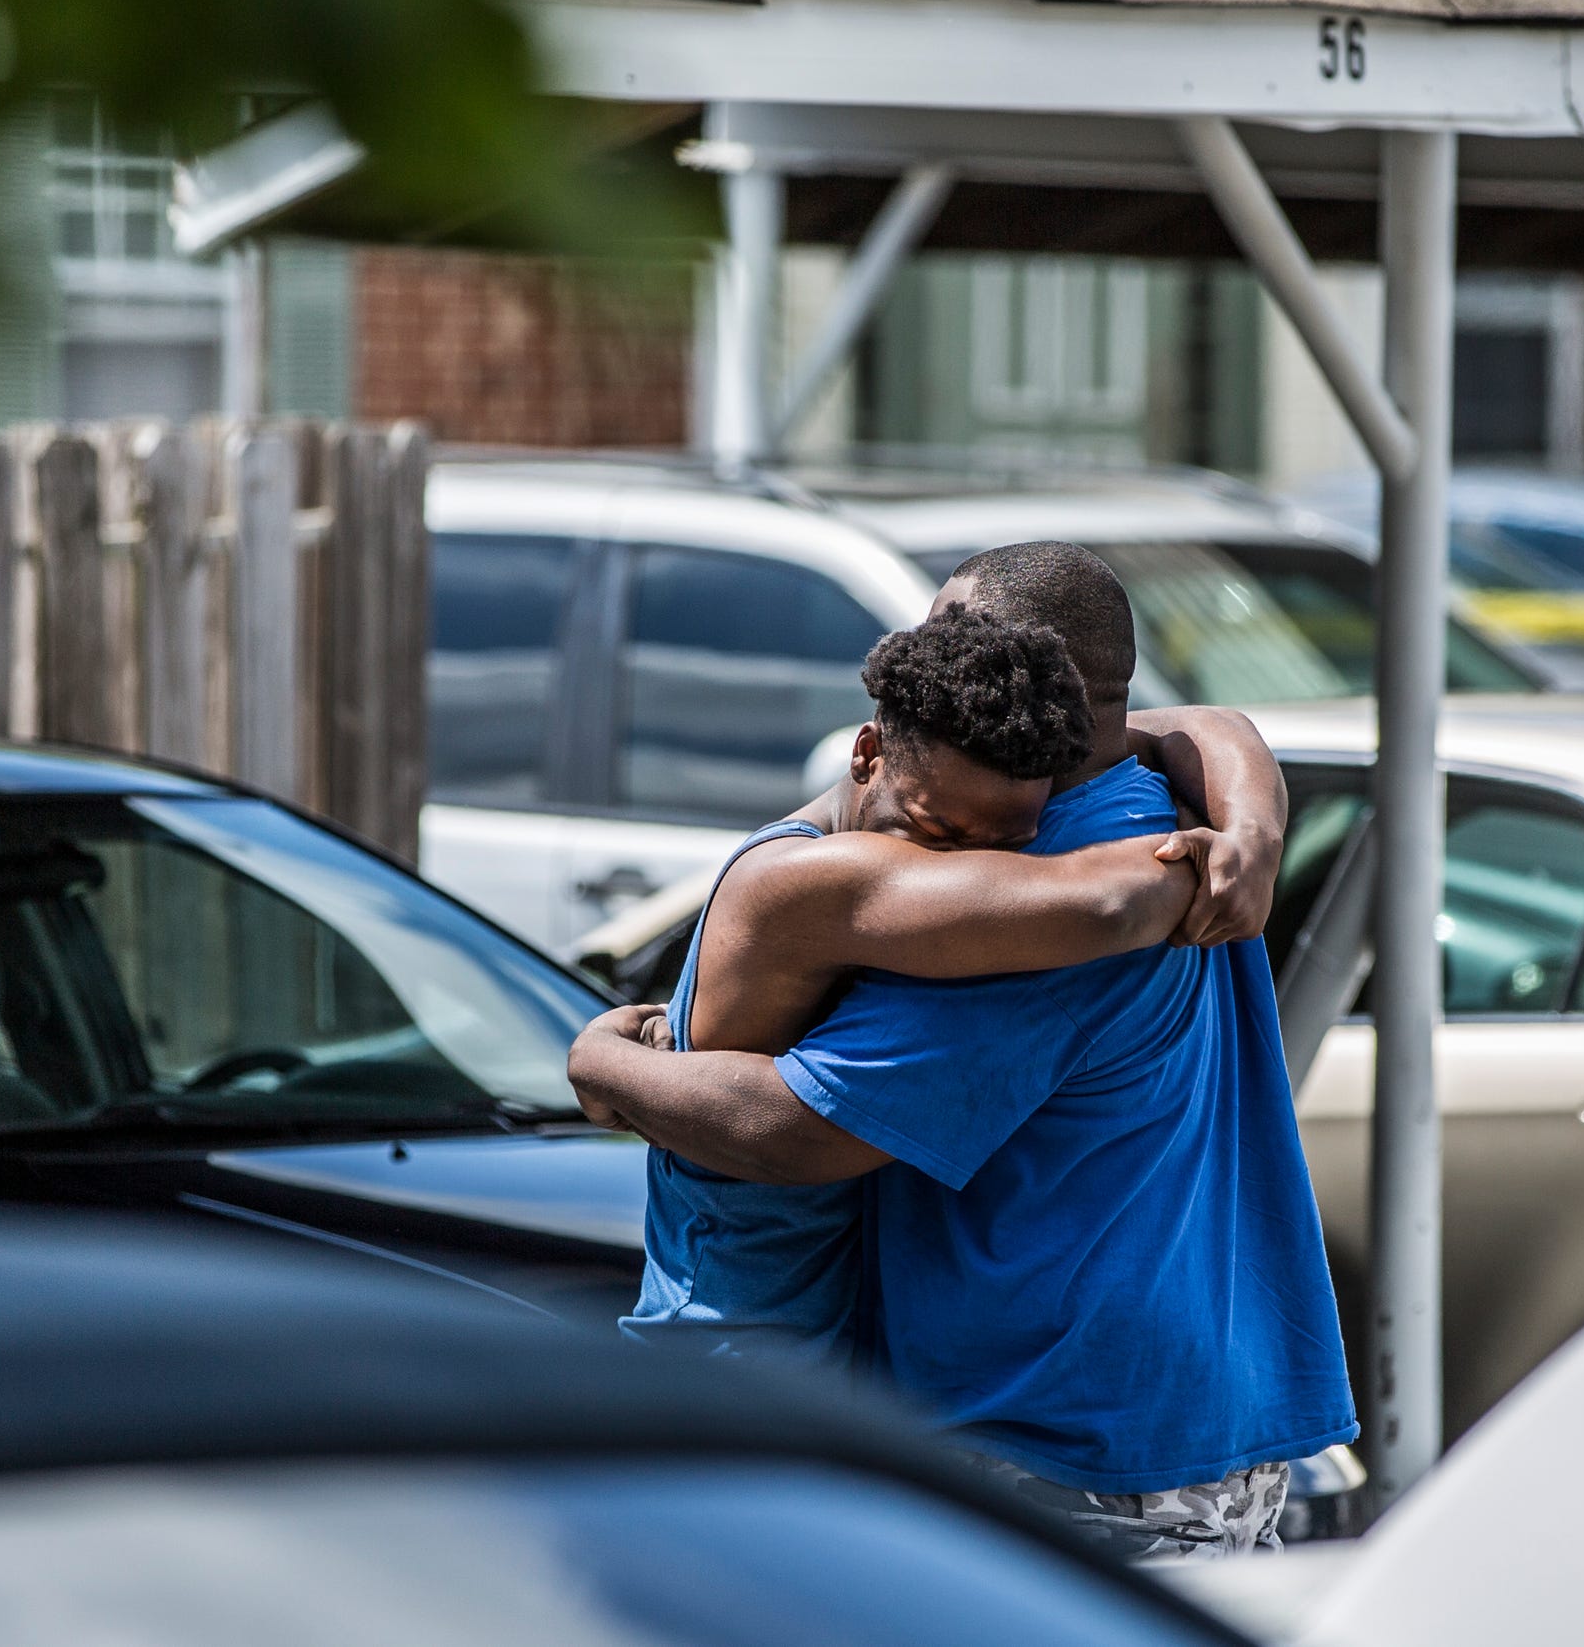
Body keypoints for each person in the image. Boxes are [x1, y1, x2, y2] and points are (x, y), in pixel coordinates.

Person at [573, 541, 1355, 1561]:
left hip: (1067, 1448)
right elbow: (1188, 738)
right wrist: (1243, 832)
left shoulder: (1037, 872)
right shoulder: (1108, 826)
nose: (935, 661)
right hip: (1130, 1422)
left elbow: (800, 1131)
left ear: (1058, 697)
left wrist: (604, 1063)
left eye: (959, 638)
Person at [618, 599, 1276, 1364]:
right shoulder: (808, 879)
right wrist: (1218, 864)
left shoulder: (916, 801)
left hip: (817, 1363)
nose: (960, 873)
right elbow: (1106, 902)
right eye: (938, 834)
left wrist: (1251, 823)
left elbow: (1181, 724)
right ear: (866, 754)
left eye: (1006, 848)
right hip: (728, 1354)